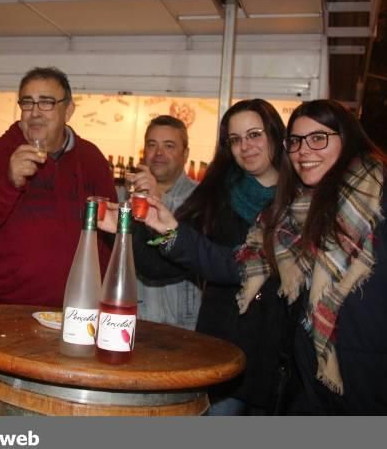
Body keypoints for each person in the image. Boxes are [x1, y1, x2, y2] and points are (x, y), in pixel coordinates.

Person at [113, 99, 287, 415]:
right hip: (224, 351)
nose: (245, 146)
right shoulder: (216, 194)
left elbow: (227, 262)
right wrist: (131, 229)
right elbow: (160, 265)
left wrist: (172, 234)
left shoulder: (300, 201)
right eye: (235, 139)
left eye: (254, 135)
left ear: (275, 134)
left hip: (280, 355)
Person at [235, 100, 387, 414]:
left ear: (349, 139)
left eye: (318, 138)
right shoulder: (297, 211)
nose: (303, 151)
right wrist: (171, 232)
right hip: (308, 394)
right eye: (296, 141)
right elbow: (239, 264)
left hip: (376, 397)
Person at [0, 67, 116, 306]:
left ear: (68, 110)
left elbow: (109, 237)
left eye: (47, 103)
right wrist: (8, 184)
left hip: (75, 311)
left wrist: (99, 297)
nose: (35, 112)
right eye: (27, 103)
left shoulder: (92, 160)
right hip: (0, 312)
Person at [127, 115, 200, 330]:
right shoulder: (126, 196)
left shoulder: (201, 197)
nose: (159, 154)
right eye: (152, 145)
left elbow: (188, 242)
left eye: (169, 146)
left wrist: (156, 196)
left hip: (182, 326)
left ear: (185, 154)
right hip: (133, 319)